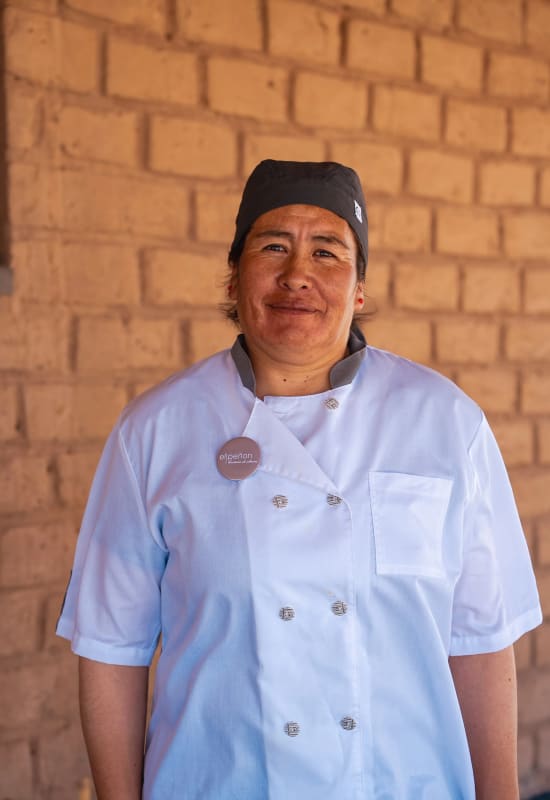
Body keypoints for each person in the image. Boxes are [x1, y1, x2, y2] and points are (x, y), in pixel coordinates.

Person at [57, 160, 542, 800]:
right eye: (273, 246)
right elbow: (110, 649)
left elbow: (480, 645)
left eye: (327, 251)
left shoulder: (445, 423)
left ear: (359, 288)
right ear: (235, 277)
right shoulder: (156, 430)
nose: (298, 276)